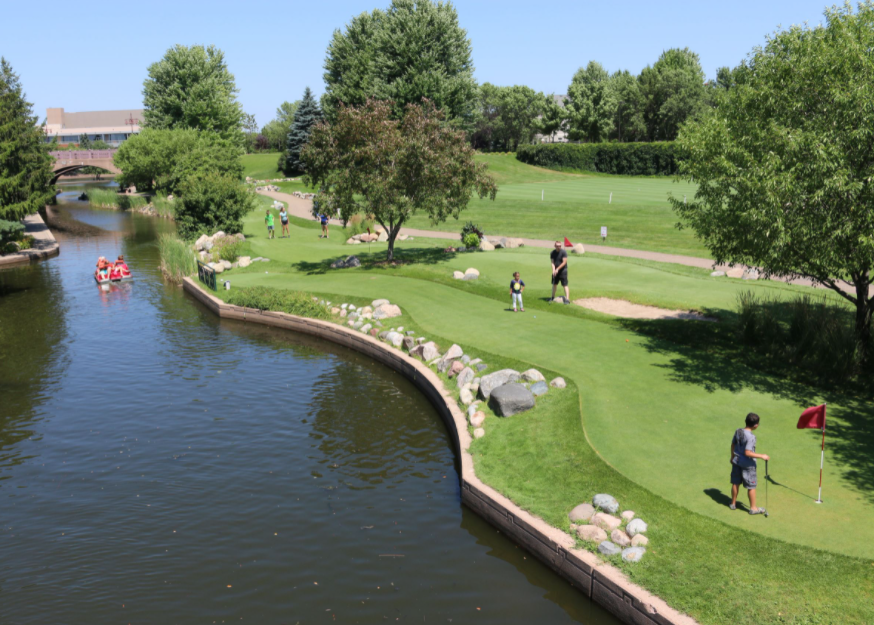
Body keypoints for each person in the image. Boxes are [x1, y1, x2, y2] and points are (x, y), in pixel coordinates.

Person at [729, 412, 770, 515]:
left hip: (736, 461)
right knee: (751, 486)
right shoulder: (751, 437)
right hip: (748, 465)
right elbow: (748, 453)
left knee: (735, 482)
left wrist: (732, 456)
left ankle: (733, 503)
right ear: (755, 425)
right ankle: (753, 508)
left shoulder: (738, 431)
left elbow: (733, 444)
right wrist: (762, 456)